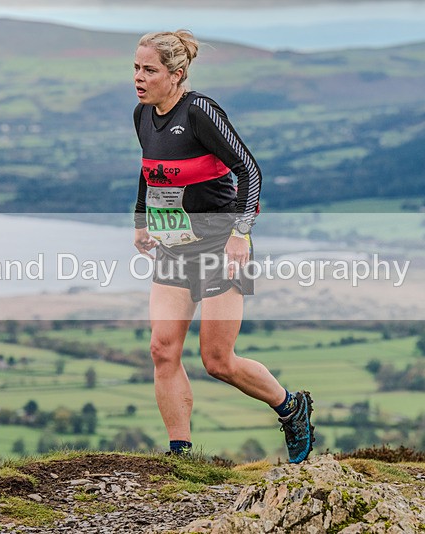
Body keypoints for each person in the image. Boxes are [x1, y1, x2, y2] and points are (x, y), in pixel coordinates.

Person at [131, 30, 314, 463]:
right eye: (136, 68)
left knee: (217, 360)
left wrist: (240, 232)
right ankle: (181, 455)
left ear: (176, 75)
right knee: (162, 349)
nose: (139, 78)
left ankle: (291, 407)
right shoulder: (142, 115)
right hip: (174, 247)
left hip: (220, 246)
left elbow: (249, 170)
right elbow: (150, 169)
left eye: (150, 70)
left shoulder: (200, 112)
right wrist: (141, 218)